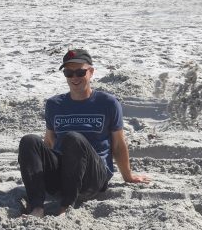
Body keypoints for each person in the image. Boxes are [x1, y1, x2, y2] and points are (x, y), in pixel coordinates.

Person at [18, 48, 148, 216]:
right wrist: (39, 169)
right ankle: (37, 207)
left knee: (73, 138)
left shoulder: (108, 102)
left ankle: (66, 207)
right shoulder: (54, 104)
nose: (75, 78)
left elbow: (118, 143)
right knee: (29, 141)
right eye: (69, 73)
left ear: (91, 72)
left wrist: (128, 176)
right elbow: (49, 142)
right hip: (62, 177)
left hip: (92, 178)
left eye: (80, 72)